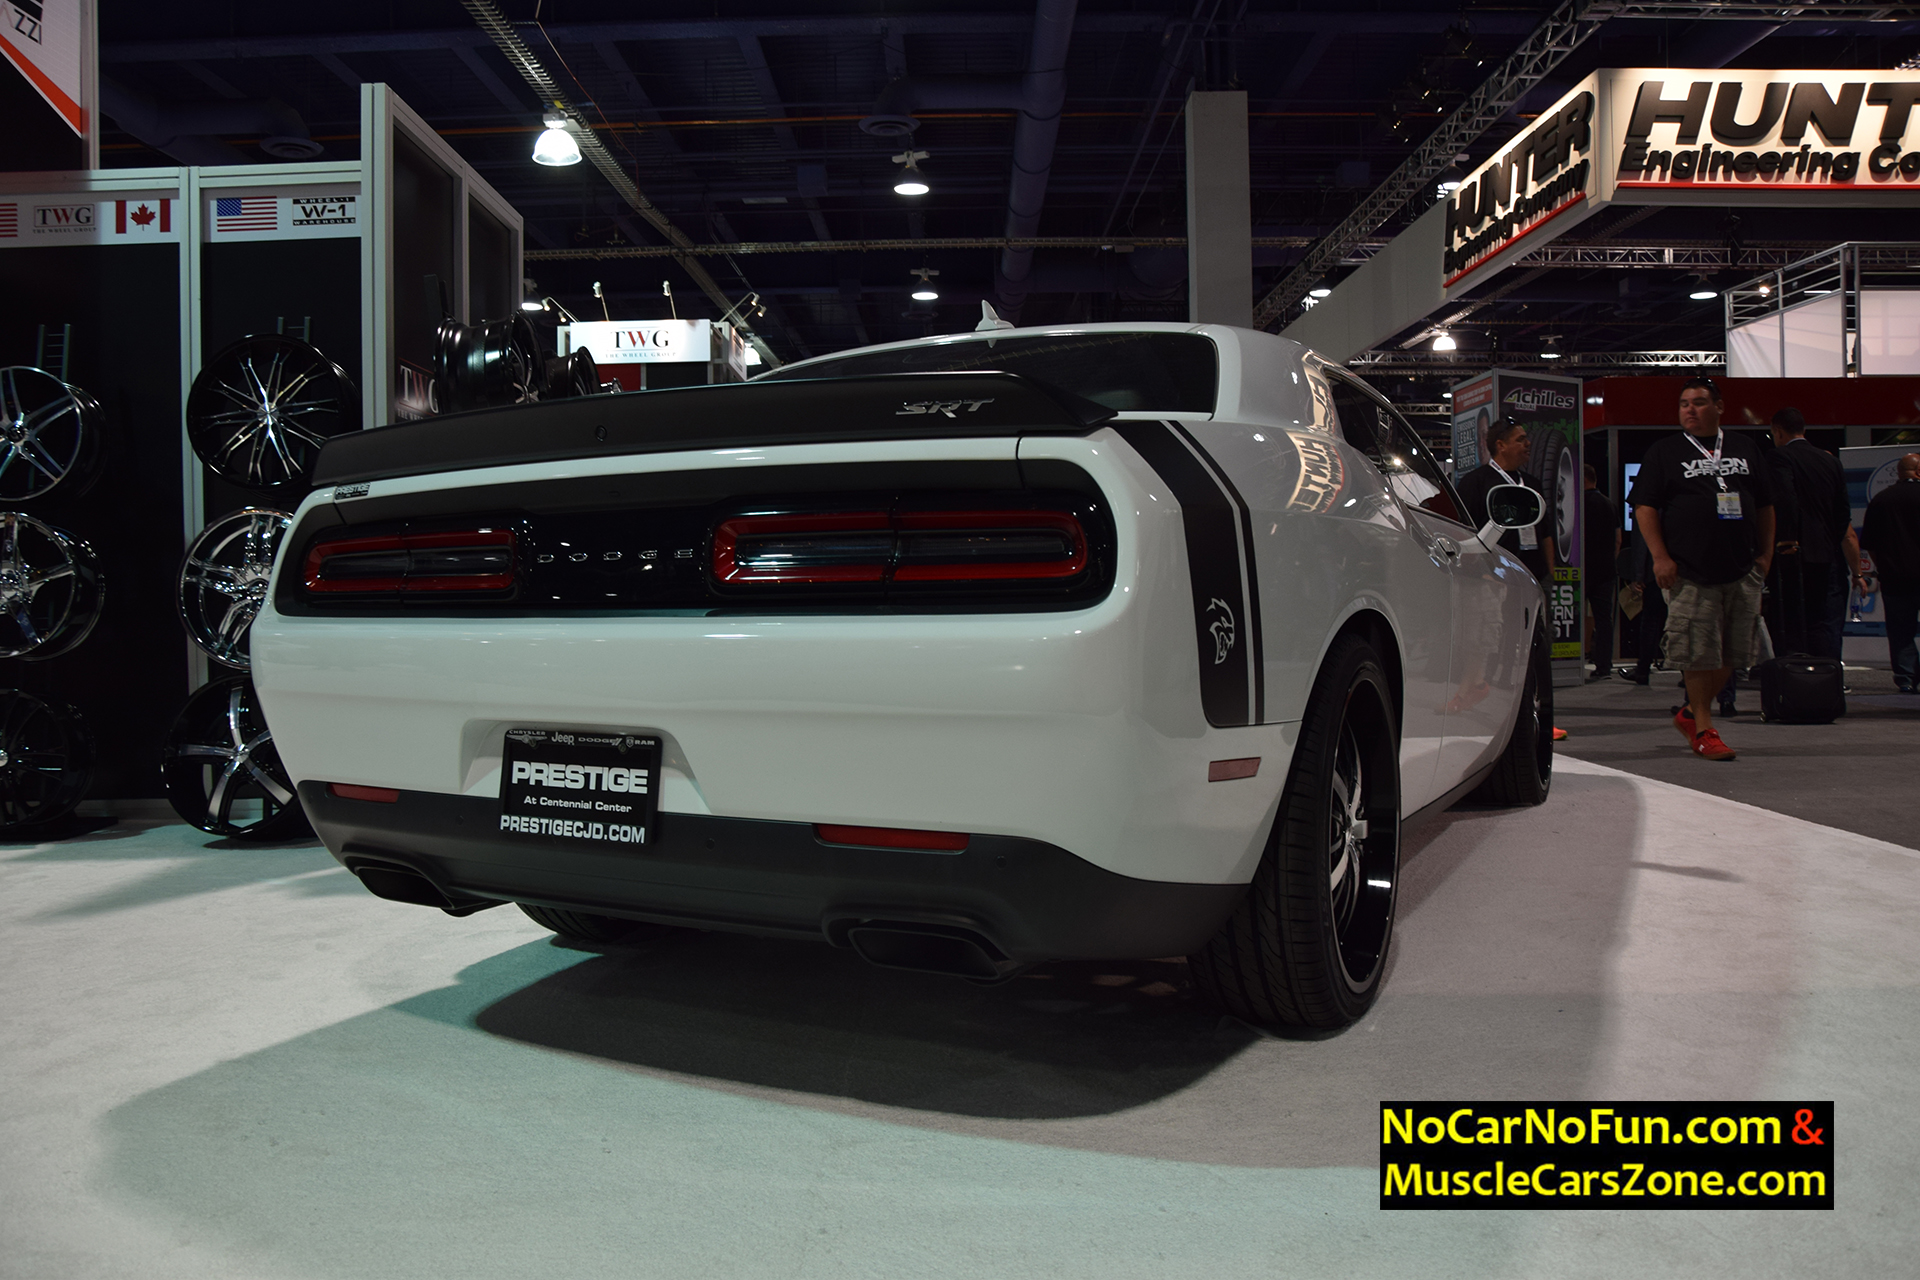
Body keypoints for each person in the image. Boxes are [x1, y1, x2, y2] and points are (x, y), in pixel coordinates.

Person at [1628, 377, 1775, 761]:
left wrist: (1765, 556)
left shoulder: (1745, 447)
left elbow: (1765, 505)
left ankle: (1692, 714)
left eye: (1698, 402)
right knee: (1696, 653)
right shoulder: (1665, 451)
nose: (1690, 409)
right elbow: (1644, 507)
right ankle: (1706, 729)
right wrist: (1660, 557)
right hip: (1689, 570)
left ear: (1719, 407)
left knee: (1735, 653)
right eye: (1684, 404)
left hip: (1742, 568)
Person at [1768, 408, 1862, 660]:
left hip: (1794, 556)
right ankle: (1829, 674)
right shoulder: (1831, 461)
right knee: (1825, 622)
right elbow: (1843, 512)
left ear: (1778, 431)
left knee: (1792, 622)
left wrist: (1787, 539)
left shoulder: (1779, 457)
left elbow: (1785, 499)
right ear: (1803, 429)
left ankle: (1797, 676)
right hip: (1828, 555)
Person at [1453, 415, 1557, 582]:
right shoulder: (1475, 482)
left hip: (1535, 576)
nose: (1528, 443)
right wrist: (1478, 572)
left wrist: (1550, 573)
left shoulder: (1532, 483)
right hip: (1495, 576)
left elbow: (1545, 532)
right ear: (1501, 445)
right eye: (1520, 440)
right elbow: (1463, 532)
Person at [1861, 452, 1920, 693]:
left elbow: (1870, 544)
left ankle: (1906, 677)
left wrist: (1885, 565)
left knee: (1900, 631)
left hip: (1895, 577)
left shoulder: (1881, 500)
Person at [1582, 462, 1622, 679]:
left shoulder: (1579, 505)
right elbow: (1618, 539)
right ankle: (1604, 666)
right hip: (1606, 570)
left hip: (1582, 569)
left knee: (1575, 615)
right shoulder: (1610, 504)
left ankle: (1572, 661)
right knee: (1604, 619)